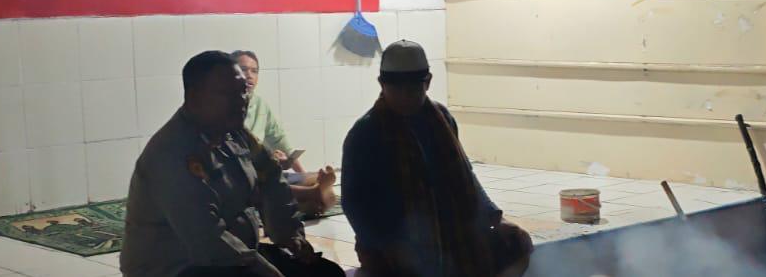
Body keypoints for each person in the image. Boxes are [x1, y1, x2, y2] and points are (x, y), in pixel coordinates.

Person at [122, 51, 345, 277]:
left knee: (326, 274)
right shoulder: (172, 153)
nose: (241, 101)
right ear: (194, 97)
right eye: (228, 94)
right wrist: (266, 271)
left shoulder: (235, 134)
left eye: (242, 92)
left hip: (233, 255)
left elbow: (272, 180)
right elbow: (207, 238)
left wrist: (291, 235)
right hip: (179, 266)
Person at [342, 41, 533, 277]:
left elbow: (464, 177)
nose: (405, 96)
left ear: (428, 82)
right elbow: (354, 204)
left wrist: (494, 217)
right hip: (394, 244)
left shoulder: (441, 119)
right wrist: (389, 245)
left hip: (449, 232)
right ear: (382, 84)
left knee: (516, 244)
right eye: (397, 88)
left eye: (413, 88)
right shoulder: (366, 133)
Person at [232, 50, 338, 214]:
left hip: (267, 173)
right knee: (266, 185)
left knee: (324, 191)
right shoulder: (223, 108)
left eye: (254, 71)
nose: (249, 75)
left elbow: (280, 140)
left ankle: (311, 197)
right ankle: (310, 195)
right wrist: (269, 162)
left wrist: (303, 175)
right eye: (243, 69)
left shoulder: (260, 105)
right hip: (242, 179)